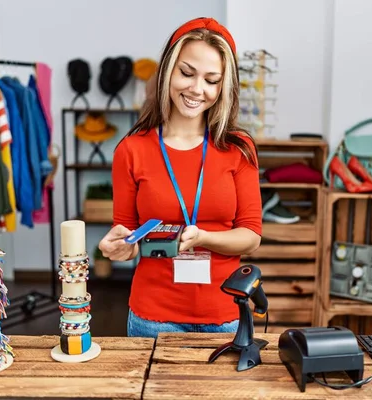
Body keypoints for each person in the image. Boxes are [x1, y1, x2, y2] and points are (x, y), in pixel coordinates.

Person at [98, 17, 262, 338]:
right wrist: (119, 247)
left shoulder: (238, 149)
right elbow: (130, 239)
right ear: (168, 71)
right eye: (186, 73)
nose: (197, 89)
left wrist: (202, 238)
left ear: (223, 87)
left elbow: (251, 236)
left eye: (211, 80)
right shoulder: (131, 150)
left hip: (226, 314)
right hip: (153, 317)